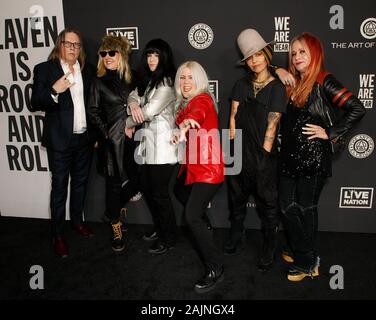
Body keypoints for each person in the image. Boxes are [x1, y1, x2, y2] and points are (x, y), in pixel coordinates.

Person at [279, 32, 366, 281]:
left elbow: (356, 108)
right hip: (290, 157)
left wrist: (329, 132)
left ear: (315, 53)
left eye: (302, 51)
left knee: (305, 208)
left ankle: (308, 262)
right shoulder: (294, 81)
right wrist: (278, 70)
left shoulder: (323, 80)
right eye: (293, 52)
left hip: (314, 157)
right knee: (287, 205)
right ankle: (300, 247)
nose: (296, 57)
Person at [224, 29, 287, 272]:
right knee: (236, 198)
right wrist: (232, 150)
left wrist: (264, 156)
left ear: (267, 54)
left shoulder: (277, 88)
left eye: (258, 54)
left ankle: (270, 242)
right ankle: (236, 233)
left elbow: (273, 123)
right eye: (250, 57)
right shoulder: (240, 84)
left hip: (263, 155)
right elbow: (232, 117)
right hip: (238, 149)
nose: (255, 60)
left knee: (268, 202)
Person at [31, 28, 95, 258]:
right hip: (60, 140)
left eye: (77, 45)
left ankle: (77, 222)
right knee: (59, 189)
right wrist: (54, 90)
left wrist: (94, 136)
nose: (73, 48)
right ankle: (58, 235)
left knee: (80, 184)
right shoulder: (45, 69)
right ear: (60, 45)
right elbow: (34, 103)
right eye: (68, 44)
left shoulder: (86, 70)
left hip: (84, 139)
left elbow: (92, 105)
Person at [172, 61, 224, 293]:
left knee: (191, 216)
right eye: (182, 78)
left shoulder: (201, 99)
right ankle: (206, 225)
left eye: (190, 78)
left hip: (208, 168)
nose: (185, 82)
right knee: (179, 190)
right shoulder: (185, 102)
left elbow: (197, 114)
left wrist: (186, 124)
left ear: (199, 81)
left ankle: (216, 268)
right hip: (193, 165)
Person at [125, 39, 179, 254]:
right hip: (149, 148)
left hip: (164, 149)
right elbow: (134, 95)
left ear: (163, 57)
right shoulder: (150, 81)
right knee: (148, 190)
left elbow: (148, 113)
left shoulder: (165, 83)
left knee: (160, 195)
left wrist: (126, 124)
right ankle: (161, 228)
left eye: (156, 55)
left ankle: (169, 237)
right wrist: (132, 103)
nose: (151, 59)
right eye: (149, 55)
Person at [88, 35, 139, 252]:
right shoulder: (97, 81)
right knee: (114, 185)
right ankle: (116, 227)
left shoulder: (133, 79)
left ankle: (113, 210)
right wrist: (107, 134)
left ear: (122, 55)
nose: (107, 57)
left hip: (133, 141)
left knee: (139, 180)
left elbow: (142, 103)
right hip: (111, 143)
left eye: (112, 53)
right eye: (103, 54)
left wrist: (133, 125)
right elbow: (93, 111)